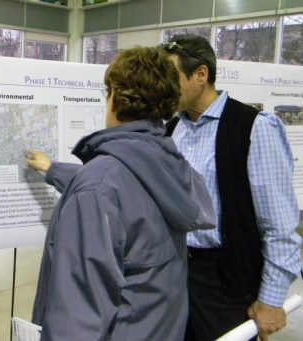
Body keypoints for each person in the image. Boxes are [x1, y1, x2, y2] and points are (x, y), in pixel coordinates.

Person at [28, 46, 216, 340]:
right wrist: (54, 169)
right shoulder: (168, 164)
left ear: (114, 95)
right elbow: (124, 189)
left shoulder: (99, 186)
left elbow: (78, 320)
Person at [160, 34, 302, 341]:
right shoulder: (172, 129)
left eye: (170, 77)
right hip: (175, 275)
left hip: (227, 282)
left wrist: (271, 298)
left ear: (201, 75)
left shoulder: (253, 127)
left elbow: (279, 224)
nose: (163, 86)